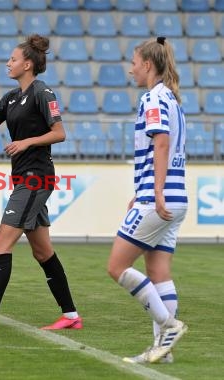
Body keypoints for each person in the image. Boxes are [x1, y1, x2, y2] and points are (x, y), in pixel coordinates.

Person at [0, 35, 82, 331]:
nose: (8, 63)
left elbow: (59, 132)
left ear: (28, 64)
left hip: (38, 177)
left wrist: (26, 142)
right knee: (42, 251)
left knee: (0, 244)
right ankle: (71, 316)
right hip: (24, 178)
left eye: (12, 59)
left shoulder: (42, 92)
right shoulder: (12, 97)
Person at [107, 37, 188, 364]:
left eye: (134, 62)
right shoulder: (172, 99)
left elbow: (162, 145)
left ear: (149, 65)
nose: (131, 69)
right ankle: (162, 350)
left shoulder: (153, 98)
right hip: (177, 198)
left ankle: (169, 327)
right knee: (158, 272)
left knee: (116, 266)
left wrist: (152, 193)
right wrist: (142, 191)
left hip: (159, 198)